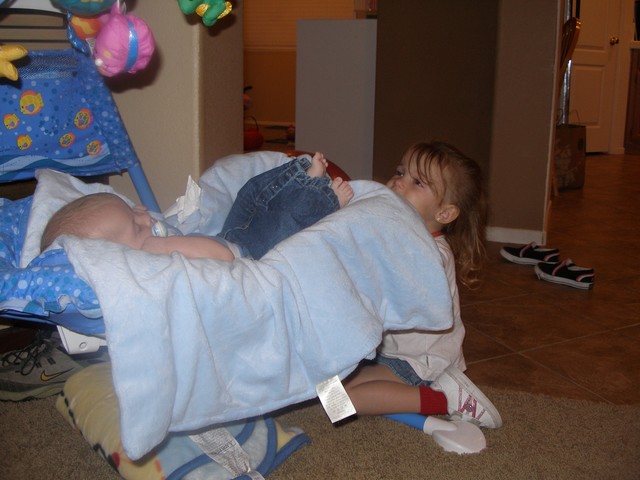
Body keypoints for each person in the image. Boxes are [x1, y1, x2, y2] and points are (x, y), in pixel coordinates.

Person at [343, 141, 502, 429]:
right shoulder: (398, 235)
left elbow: (390, 292)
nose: (399, 182)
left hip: (421, 360)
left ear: (444, 213)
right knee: (328, 388)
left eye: (417, 182)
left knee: (341, 402)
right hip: (390, 351)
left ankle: (444, 399)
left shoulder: (431, 255)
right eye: (400, 172)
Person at [40, 152, 354, 260]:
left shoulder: (151, 240)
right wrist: (163, 247)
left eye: (133, 211)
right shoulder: (155, 260)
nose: (143, 215)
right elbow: (220, 257)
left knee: (249, 193)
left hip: (228, 235)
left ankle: (301, 175)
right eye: (135, 226)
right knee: (284, 223)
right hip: (246, 255)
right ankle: (325, 201)